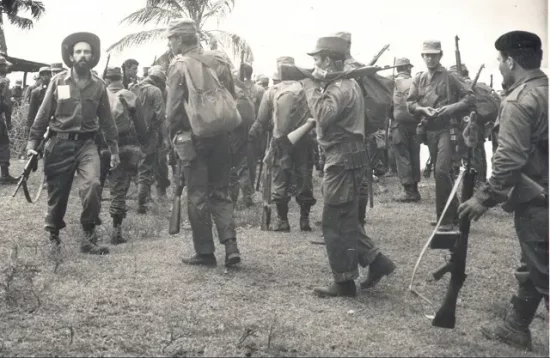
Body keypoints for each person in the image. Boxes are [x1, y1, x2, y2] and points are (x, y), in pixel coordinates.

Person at [458, 30, 548, 352]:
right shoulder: (546, 90)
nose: (499, 65)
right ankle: (515, 327)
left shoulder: (520, 100)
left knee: (545, 271)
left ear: (510, 61)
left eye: (500, 59)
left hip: (540, 203)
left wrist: (484, 198)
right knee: (535, 262)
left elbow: (509, 159)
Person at [304, 35, 395, 297]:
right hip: (349, 156)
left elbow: (322, 115)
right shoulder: (347, 84)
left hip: (342, 157)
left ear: (331, 61)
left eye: (319, 59)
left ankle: (344, 282)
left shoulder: (339, 88)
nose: (316, 65)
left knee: (334, 219)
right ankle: (377, 262)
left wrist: (310, 85)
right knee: (345, 217)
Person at [26, 32, 120, 255]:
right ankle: (53, 236)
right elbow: (43, 115)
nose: (83, 55)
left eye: (87, 51)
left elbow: (107, 120)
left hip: (87, 144)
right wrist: (32, 144)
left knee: (93, 184)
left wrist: (114, 149)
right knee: (58, 194)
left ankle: (88, 237)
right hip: (59, 143)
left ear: (93, 55)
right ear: (71, 55)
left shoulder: (98, 86)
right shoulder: (58, 81)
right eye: (78, 51)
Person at [165, 18, 240, 267]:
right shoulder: (219, 61)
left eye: (171, 38)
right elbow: (230, 96)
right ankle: (231, 246)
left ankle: (205, 252)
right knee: (221, 191)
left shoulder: (178, 66)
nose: (169, 43)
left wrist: (173, 138)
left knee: (197, 195)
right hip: (221, 136)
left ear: (179, 39)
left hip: (193, 139)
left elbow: (173, 110)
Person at [407, 40, 474, 231]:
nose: (430, 58)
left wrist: (450, 108)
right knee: (441, 174)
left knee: (442, 171)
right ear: (422, 56)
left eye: (433, 55)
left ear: (440, 55)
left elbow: (470, 98)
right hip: (429, 130)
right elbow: (410, 104)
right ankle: (454, 214)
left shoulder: (450, 77)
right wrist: (422, 109)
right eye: (426, 55)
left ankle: (445, 219)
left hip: (448, 129)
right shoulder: (419, 78)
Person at [249, 56, 316, 231]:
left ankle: (282, 220)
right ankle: (304, 220)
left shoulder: (271, 91)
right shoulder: (305, 88)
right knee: (304, 178)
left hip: (280, 141)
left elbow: (261, 120)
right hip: (304, 139)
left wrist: (254, 134)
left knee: (280, 178)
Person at [103, 67, 149, 244]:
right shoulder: (130, 96)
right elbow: (141, 126)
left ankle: (89, 230)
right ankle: (116, 231)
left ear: (107, 80)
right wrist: (143, 143)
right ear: (120, 79)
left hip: (100, 146)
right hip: (124, 146)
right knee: (119, 188)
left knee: (95, 188)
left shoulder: (100, 94)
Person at [132, 65, 169, 214]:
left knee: (138, 166)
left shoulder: (132, 88)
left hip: (133, 134)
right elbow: (160, 117)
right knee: (148, 166)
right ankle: (142, 203)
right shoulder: (156, 91)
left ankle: (144, 196)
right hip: (149, 134)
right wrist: (165, 138)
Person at [390, 58, 421, 202]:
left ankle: (409, 192)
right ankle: (415, 189)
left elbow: (387, 104)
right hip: (415, 124)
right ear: (409, 68)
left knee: (402, 156)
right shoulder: (416, 81)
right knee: (414, 155)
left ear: (398, 68)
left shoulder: (393, 82)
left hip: (399, 125)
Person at [0, 56, 16, 184]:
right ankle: (4, 175)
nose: (6, 67)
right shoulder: (4, 81)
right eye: (4, 65)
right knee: (3, 144)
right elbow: (5, 103)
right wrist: (9, 121)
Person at [27, 67, 52, 132]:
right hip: (40, 120)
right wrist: (29, 126)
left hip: (53, 121)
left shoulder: (55, 89)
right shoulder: (35, 92)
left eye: (47, 74)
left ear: (50, 75)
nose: (45, 77)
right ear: (40, 76)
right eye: (43, 75)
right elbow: (32, 111)